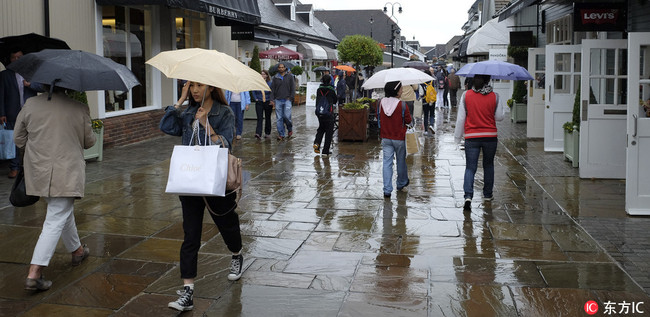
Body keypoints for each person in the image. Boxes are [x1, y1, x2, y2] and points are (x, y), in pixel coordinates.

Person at [160, 81, 243, 312]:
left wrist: (207, 124)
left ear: (212, 87)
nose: (195, 90)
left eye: (199, 86)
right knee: (191, 235)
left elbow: (226, 145)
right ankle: (188, 292)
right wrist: (180, 100)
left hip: (217, 180)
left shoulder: (223, 112)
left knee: (227, 225)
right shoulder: (187, 112)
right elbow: (166, 126)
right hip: (191, 180)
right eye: (191, 86)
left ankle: (236, 253)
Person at [14, 85, 96, 291]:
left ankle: (77, 251)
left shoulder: (31, 104)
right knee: (54, 220)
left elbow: (18, 138)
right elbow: (89, 142)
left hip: (38, 172)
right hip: (66, 172)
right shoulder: (78, 108)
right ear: (69, 86)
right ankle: (35, 273)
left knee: (61, 211)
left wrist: (37, 151)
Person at [454, 74, 504, 211]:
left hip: (471, 136)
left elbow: (460, 119)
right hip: (490, 136)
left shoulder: (466, 95)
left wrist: (457, 138)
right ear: (488, 80)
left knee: (470, 167)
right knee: (488, 165)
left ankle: (468, 196)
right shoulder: (495, 96)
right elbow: (499, 117)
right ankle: (487, 194)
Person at [0, 49, 44, 178]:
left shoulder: (31, 73)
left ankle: (31, 166)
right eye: (14, 57)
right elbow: (0, 95)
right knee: (13, 140)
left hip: (30, 112)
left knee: (32, 139)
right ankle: (14, 167)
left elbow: (43, 88)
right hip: (11, 113)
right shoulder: (4, 75)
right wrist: (1, 113)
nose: (16, 59)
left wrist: (31, 84)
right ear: (10, 59)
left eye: (19, 57)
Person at [378, 81, 412, 198]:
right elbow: (408, 120)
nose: (402, 91)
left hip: (386, 137)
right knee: (401, 161)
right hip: (399, 138)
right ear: (396, 91)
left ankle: (387, 190)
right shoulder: (402, 105)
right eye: (401, 89)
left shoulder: (381, 102)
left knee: (387, 163)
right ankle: (401, 184)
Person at [270, 62, 295, 140]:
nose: (281, 69)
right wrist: (272, 99)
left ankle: (289, 128)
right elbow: (272, 89)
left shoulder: (290, 77)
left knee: (287, 116)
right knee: (279, 118)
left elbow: (293, 88)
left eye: (282, 67)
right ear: (278, 69)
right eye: (279, 67)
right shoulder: (275, 78)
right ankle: (281, 134)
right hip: (278, 100)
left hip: (287, 99)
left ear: (285, 68)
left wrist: (291, 97)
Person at [313, 74, 337, 156]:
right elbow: (335, 101)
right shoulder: (331, 90)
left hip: (319, 112)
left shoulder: (319, 89)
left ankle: (317, 143)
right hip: (328, 113)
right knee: (329, 131)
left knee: (321, 128)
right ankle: (325, 150)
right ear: (330, 81)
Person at [252, 70, 273, 139]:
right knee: (259, 118)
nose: (262, 75)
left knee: (267, 118)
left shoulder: (270, 83)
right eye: (261, 74)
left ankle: (267, 133)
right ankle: (258, 133)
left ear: (267, 75)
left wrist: (271, 100)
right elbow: (253, 91)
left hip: (267, 102)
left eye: (264, 74)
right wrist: (256, 98)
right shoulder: (257, 83)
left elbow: (272, 92)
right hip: (259, 102)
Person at [421, 69, 436, 135]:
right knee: (432, 114)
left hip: (425, 100)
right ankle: (431, 125)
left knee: (426, 115)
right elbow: (436, 90)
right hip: (432, 100)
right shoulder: (433, 81)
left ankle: (426, 131)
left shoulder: (422, 82)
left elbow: (421, 92)